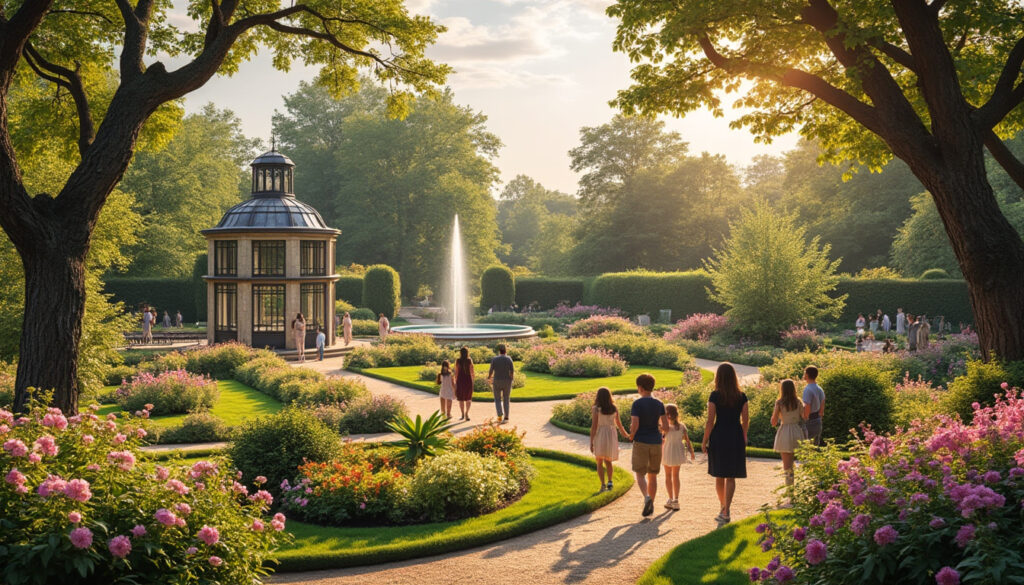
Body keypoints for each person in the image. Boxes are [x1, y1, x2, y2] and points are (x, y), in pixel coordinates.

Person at [702, 363, 749, 524]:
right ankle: (726, 509)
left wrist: (704, 440)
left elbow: (710, 421)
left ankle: (723, 507)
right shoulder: (741, 396)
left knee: (719, 474)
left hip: (720, 434)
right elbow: (746, 420)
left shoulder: (715, 395)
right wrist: (744, 435)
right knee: (731, 475)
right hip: (735, 434)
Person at [629, 373, 667, 518]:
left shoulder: (637, 404)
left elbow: (635, 424)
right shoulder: (659, 403)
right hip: (656, 442)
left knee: (640, 474)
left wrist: (631, 435)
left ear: (640, 387)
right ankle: (651, 504)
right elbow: (665, 426)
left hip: (641, 441)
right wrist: (661, 434)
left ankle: (647, 498)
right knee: (653, 475)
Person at [589, 387, 629, 492]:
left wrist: (591, 442)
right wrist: (626, 434)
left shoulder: (596, 409)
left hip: (601, 434)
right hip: (611, 434)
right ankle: (610, 481)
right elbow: (619, 424)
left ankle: (602, 484)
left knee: (599, 461)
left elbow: (594, 426)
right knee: (608, 460)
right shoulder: (614, 408)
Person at [771, 379, 806, 488]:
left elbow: (773, 422)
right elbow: (804, 416)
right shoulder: (798, 402)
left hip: (785, 431)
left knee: (787, 465)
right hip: (796, 430)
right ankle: (793, 486)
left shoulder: (779, 402)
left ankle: (789, 489)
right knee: (793, 463)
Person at [662, 404, 695, 511]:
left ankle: (671, 499)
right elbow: (688, 441)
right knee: (675, 476)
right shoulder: (682, 426)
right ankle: (675, 500)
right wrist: (692, 452)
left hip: (667, 451)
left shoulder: (665, 427)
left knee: (668, 475)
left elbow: (661, 439)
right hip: (678, 452)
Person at [487, 344, 515, 423]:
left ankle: (499, 416)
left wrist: (489, 377)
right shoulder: (509, 359)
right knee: (506, 399)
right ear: (506, 351)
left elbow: (491, 370)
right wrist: (511, 378)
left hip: (497, 381)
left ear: (499, 351)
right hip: (507, 381)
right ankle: (506, 417)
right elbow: (512, 371)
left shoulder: (494, 359)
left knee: (497, 399)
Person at [801, 366, 825, 447]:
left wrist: (805, 419)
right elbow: (822, 407)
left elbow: (807, 406)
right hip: (817, 420)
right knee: (815, 446)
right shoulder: (820, 389)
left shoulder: (807, 389)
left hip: (810, 420)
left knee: (807, 446)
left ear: (807, 375)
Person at [454, 346, 474, 421]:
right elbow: (472, 371)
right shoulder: (469, 360)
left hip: (460, 380)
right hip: (468, 380)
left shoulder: (458, 361)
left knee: (461, 398)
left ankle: (462, 414)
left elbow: (456, 371)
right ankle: (467, 413)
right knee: (468, 398)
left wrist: (456, 381)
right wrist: (473, 380)